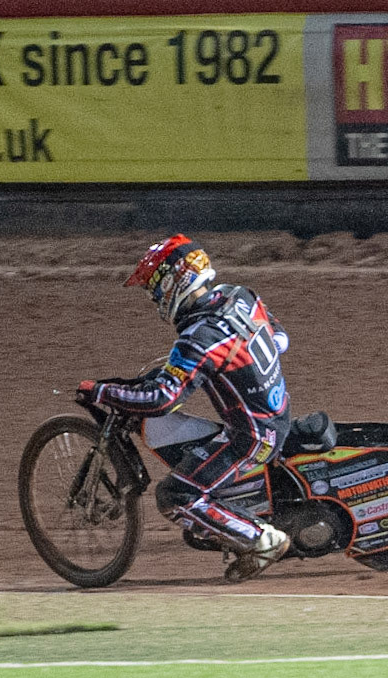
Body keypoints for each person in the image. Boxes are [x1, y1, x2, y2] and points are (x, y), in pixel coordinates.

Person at [76, 235, 292, 582]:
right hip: (274, 413)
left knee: (174, 494)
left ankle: (260, 539)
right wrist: (234, 363)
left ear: (176, 281)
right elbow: (280, 337)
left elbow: (161, 400)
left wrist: (102, 392)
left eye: (154, 288)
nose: (154, 298)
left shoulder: (198, 337)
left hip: (251, 438)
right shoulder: (241, 296)